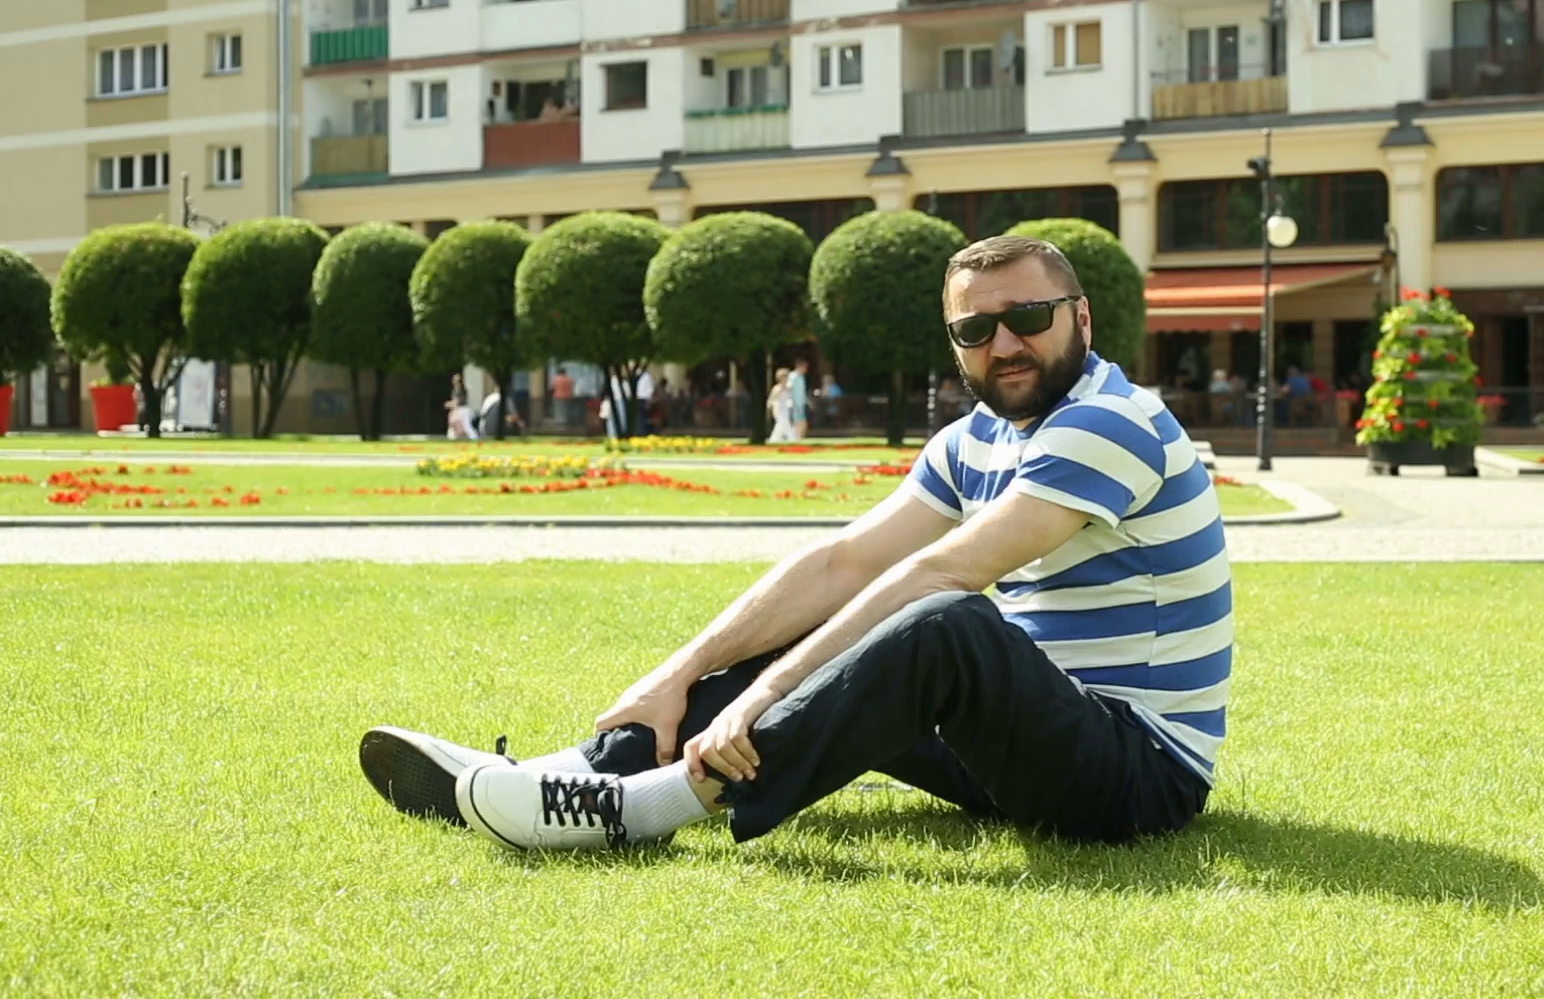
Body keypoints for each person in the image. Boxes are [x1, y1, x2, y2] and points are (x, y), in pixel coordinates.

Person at [358, 234, 1230, 854]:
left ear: (1082, 317)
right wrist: (676, 676)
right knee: (808, 616)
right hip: (1023, 748)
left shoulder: (1108, 421)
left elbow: (948, 570)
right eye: (975, 330)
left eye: (1027, 316)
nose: (1003, 344)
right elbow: (842, 563)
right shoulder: (976, 438)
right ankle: (571, 774)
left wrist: (767, 693)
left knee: (947, 621)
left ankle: (645, 808)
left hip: (1136, 772)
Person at [444, 374, 477, 441]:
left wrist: (448, 404)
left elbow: (457, 402)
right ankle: (452, 438)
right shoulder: (461, 389)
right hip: (463, 410)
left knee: (465, 426)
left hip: (462, 410)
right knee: (460, 427)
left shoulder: (458, 390)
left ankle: (475, 438)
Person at [766, 367, 796, 442]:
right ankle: (792, 438)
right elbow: (772, 398)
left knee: (782, 424)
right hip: (778, 408)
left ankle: (774, 439)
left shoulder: (788, 388)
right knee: (783, 422)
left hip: (785, 408)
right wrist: (769, 406)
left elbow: (791, 397)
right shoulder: (777, 388)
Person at [790, 357, 810, 441]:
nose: (806, 369)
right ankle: (796, 438)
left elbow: (802, 392)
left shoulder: (801, 377)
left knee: (802, 423)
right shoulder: (793, 376)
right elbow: (789, 389)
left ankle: (798, 438)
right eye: (804, 367)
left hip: (800, 404)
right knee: (799, 422)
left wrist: (807, 401)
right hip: (795, 404)